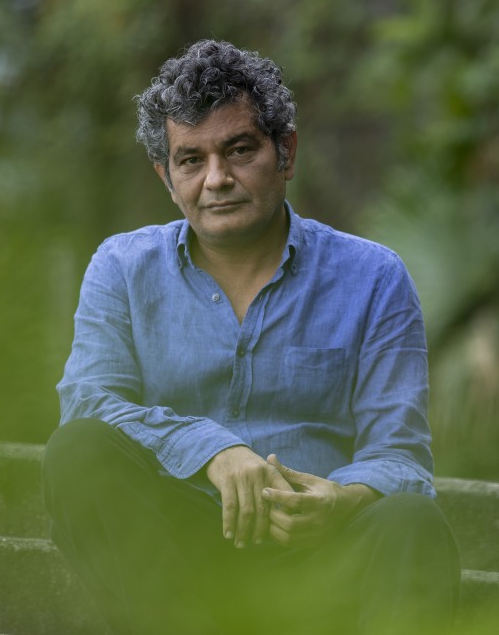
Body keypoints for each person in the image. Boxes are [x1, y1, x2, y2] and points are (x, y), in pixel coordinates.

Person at [42, 39, 460, 635]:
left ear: (285, 152)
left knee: (414, 522)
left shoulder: (374, 277)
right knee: (77, 451)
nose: (217, 180)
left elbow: (400, 457)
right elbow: (87, 403)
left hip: (319, 558)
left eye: (239, 150)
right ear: (166, 176)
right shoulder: (121, 267)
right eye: (191, 160)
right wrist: (213, 450)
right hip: (173, 561)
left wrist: (340, 503)